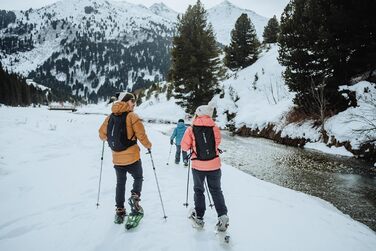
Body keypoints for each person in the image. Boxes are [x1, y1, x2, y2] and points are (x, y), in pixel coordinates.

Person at [99, 92, 152, 224]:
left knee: (120, 184)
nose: (134, 104)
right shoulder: (132, 116)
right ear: (126, 102)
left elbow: (101, 134)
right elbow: (141, 135)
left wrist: (113, 141)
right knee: (138, 177)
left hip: (117, 158)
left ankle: (120, 210)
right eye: (132, 101)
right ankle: (135, 198)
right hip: (133, 157)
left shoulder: (110, 117)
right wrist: (148, 146)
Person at [181, 104, 229, 231]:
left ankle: (200, 217)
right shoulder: (215, 127)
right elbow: (217, 143)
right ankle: (223, 216)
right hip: (214, 164)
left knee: (198, 190)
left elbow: (184, 147)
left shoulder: (191, 129)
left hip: (198, 166)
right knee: (216, 190)